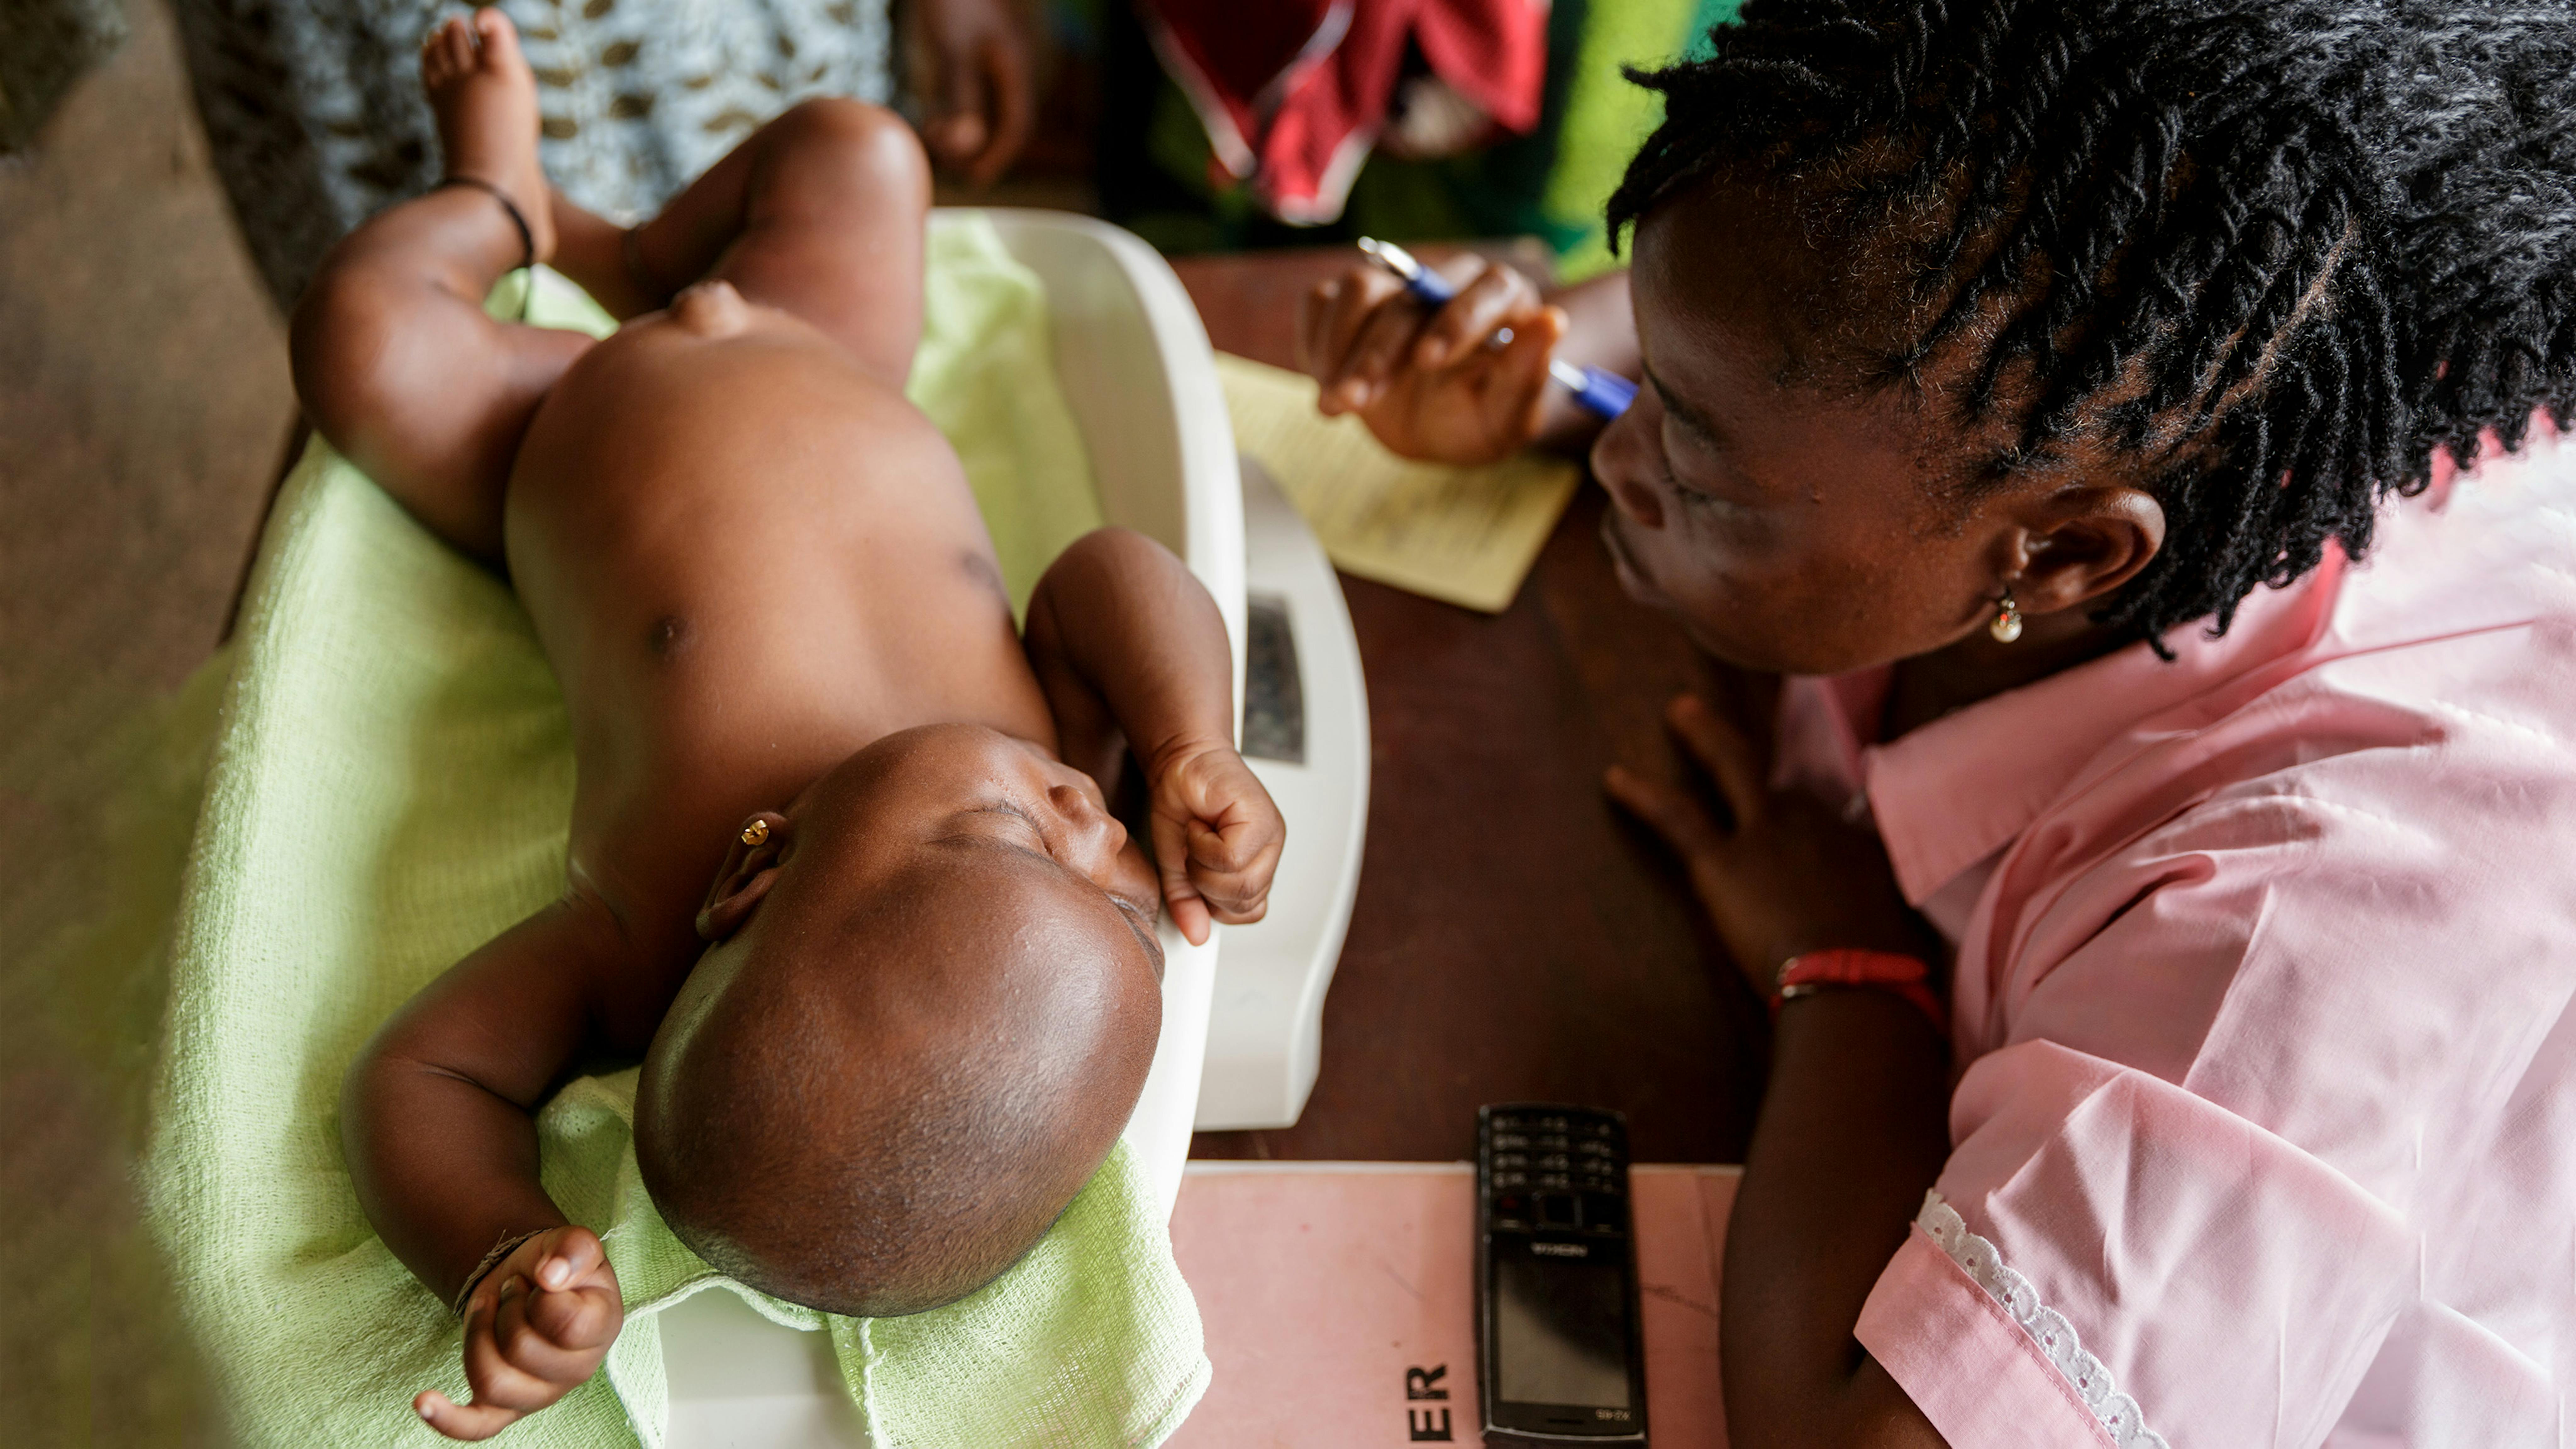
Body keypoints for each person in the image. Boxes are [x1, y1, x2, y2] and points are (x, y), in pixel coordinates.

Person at [1298, 1, 2576, 1443]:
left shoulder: (2307, 920)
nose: (1609, 450)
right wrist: (1551, 351)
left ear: (2064, 558)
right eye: (1647, 380)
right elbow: (1835, 358)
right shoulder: (2111, 366)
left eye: (1696, 467)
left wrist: (1842, 970)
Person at [297, 11, 1282, 1439]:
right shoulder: (1068, 757)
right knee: (857, 147)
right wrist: (1194, 737)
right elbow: (1112, 571)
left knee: (357, 332)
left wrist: (493, 1250)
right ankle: (611, 248)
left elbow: (418, 1076)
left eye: (1018, 838)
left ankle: (500, 202)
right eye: (1129, 898)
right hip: (828, 346)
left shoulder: (643, 932)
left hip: (547, 427)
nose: (1089, 827)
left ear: (754, 875)